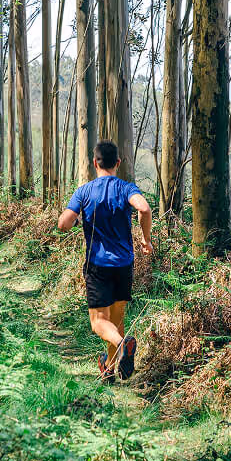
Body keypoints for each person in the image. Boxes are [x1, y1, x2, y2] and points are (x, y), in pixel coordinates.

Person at [58, 140, 153, 381]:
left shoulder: (85, 191)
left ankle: (123, 346)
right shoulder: (125, 188)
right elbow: (144, 208)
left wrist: (78, 220)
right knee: (115, 321)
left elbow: (63, 223)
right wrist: (146, 240)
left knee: (99, 322)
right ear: (118, 163)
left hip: (98, 266)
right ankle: (109, 370)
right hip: (124, 265)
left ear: (94, 163)